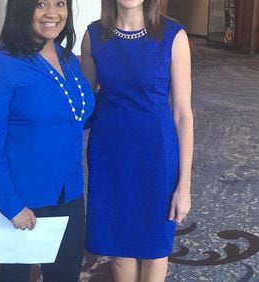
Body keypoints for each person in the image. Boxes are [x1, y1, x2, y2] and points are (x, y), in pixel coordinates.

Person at [0, 0, 94, 281]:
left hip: (67, 190)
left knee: (64, 274)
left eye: (60, 3)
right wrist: (11, 205)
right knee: (15, 276)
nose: (53, 13)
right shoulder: (0, 65)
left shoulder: (67, 58)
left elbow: (76, 116)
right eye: (41, 4)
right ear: (22, 9)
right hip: (16, 192)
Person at [81, 0, 193, 280]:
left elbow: (182, 115)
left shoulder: (173, 36)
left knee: (154, 246)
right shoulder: (93, 36)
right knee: (118, 246)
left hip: (155, 153)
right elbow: (83, 103)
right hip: (109, 153)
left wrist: (184, 185)